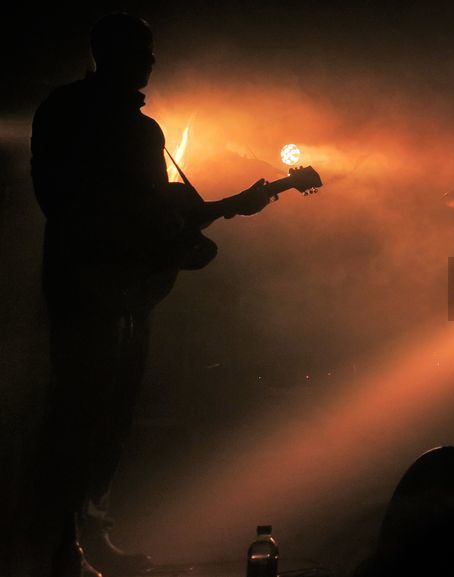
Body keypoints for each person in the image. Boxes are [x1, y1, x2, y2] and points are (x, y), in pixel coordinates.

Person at [28, 13, 269, 577]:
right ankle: (59, 546)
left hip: (119, 289)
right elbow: (72, 202)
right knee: (81, 411)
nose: (153, 62)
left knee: (110, 412)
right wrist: (187, 227)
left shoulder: (132, 126)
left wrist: (201, 220)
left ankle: (86, 537)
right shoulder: (88, 117)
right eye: (144, 50)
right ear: (113, 53)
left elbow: (155, 213)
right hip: (93, 287)